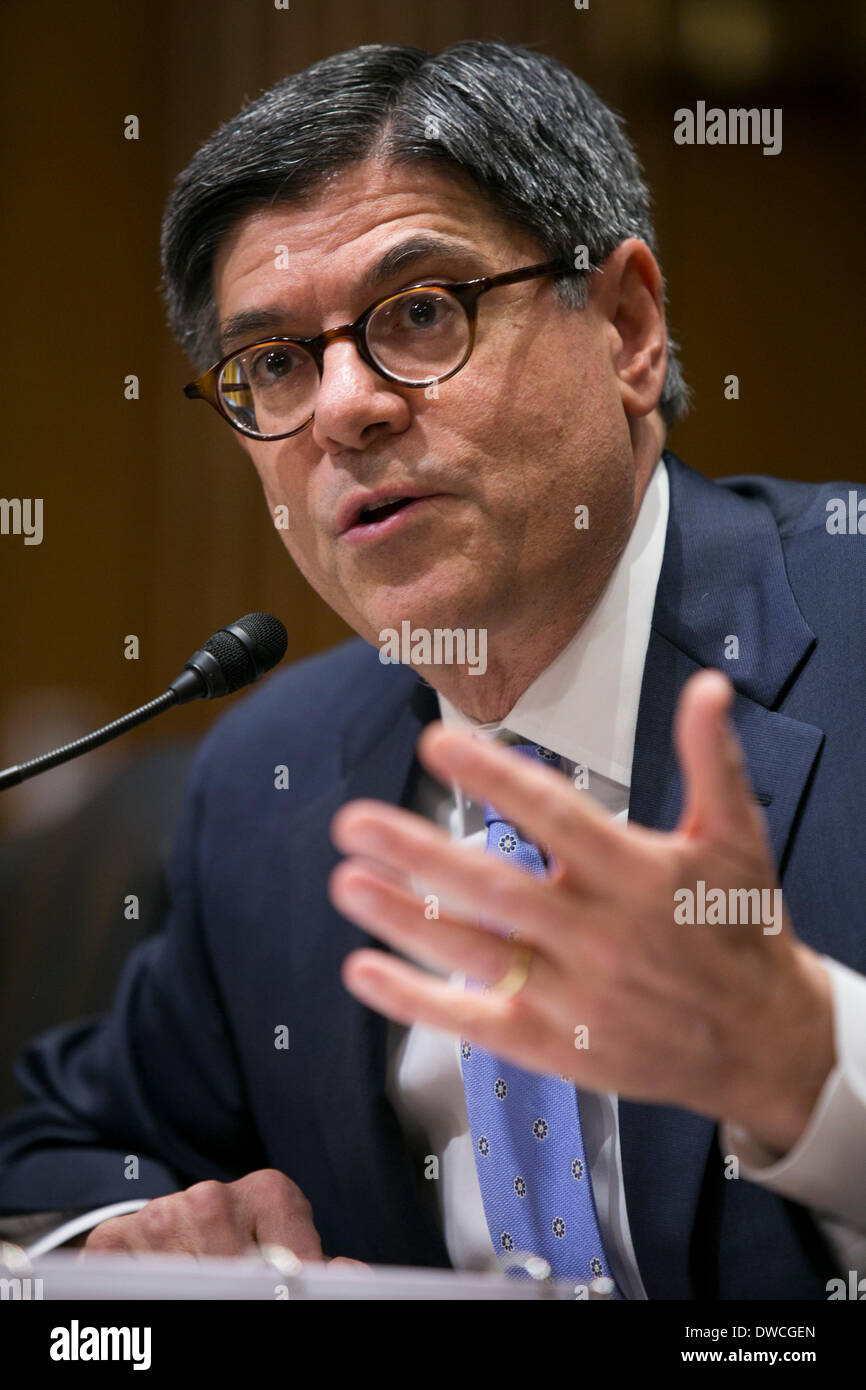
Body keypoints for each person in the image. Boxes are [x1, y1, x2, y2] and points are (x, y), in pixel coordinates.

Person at [0, 41, 863, 1299]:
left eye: (417, 313)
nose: (344, 407)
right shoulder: (271, 776)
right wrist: (129, 1236)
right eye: (277, 365)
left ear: (626, 326)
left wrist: (809, 1066)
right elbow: (63, 1139)